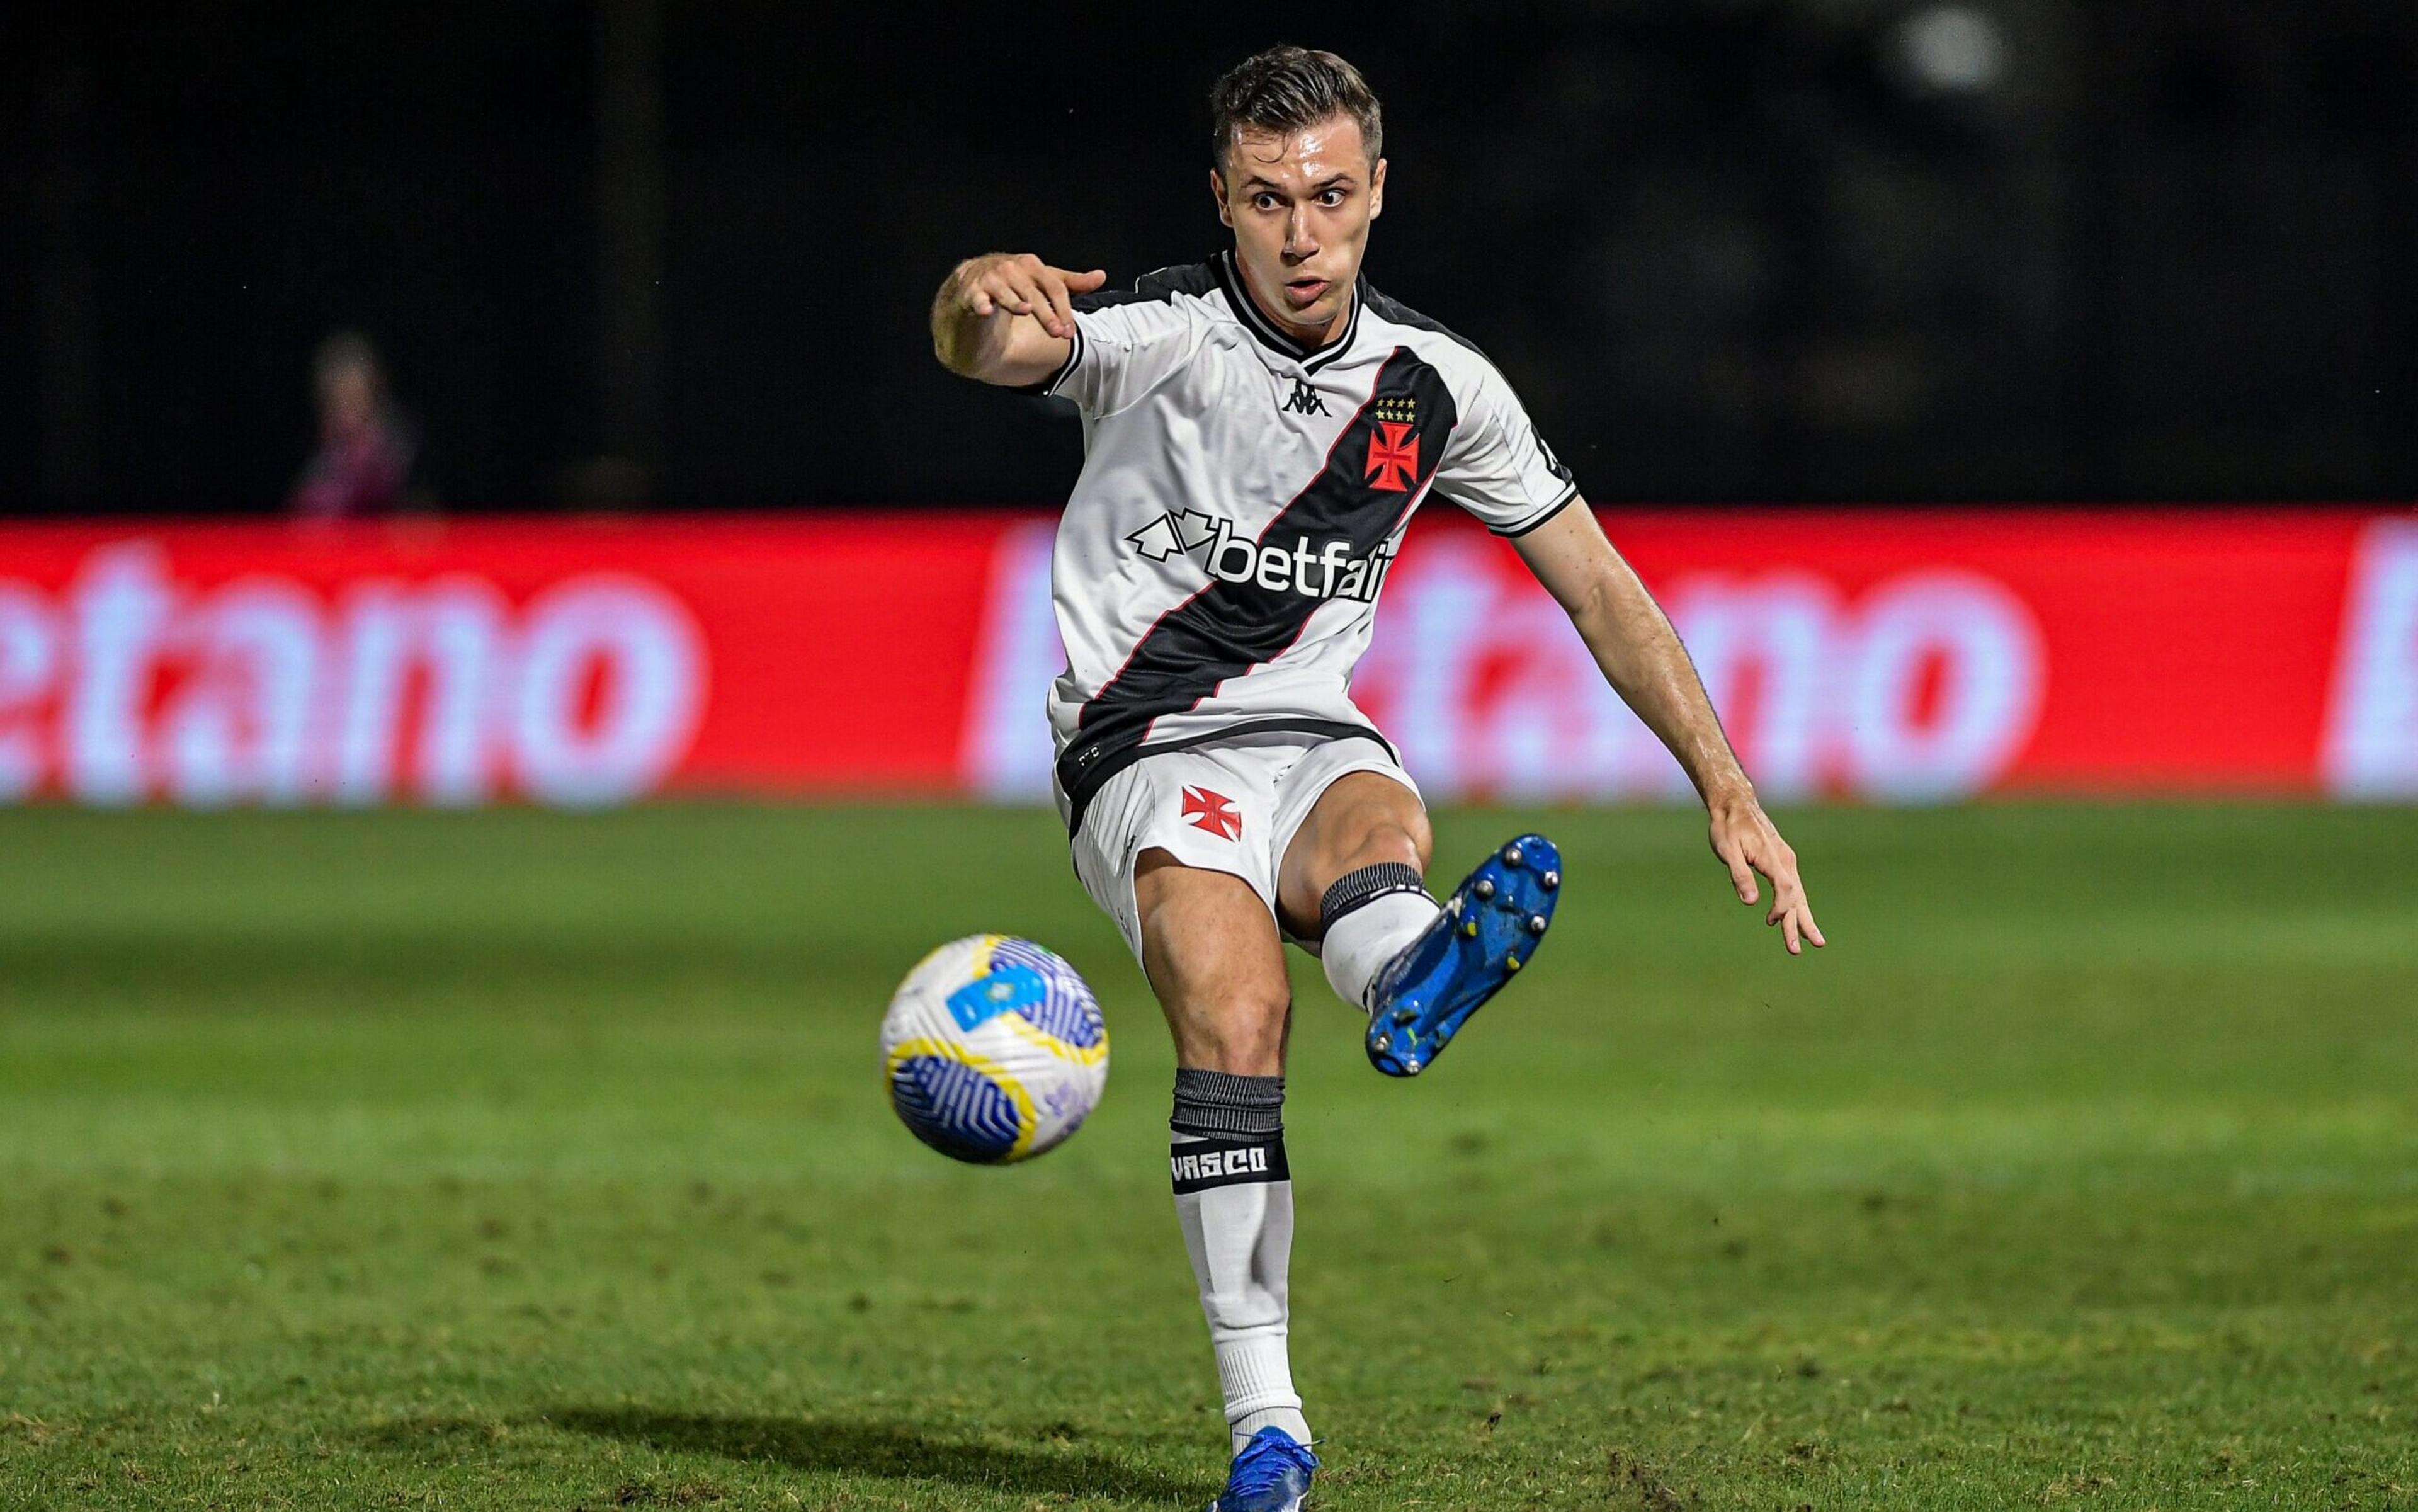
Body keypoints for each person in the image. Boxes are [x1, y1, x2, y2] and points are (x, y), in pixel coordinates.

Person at [931, 46, 1824, 1512]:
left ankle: (1411, 968)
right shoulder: (1151, 331)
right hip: (1143, 745)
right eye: (1269, 198)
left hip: (1310, 730)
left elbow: (1598, 588)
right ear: (1220, 198)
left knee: (1371, 814)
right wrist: (976, 288)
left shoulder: (1435, 383)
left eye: (1331, 197)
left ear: (1377, 194)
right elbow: (990, 346)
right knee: (1236, 1013)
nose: (1301, 233)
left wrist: (1724, 785)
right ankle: (1266, 1429)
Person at [288, 331, 416, 521]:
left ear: (374, 394)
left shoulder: (403, 457)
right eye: (338, 400)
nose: (347, 411)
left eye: (355, 398)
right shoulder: (318, 470)